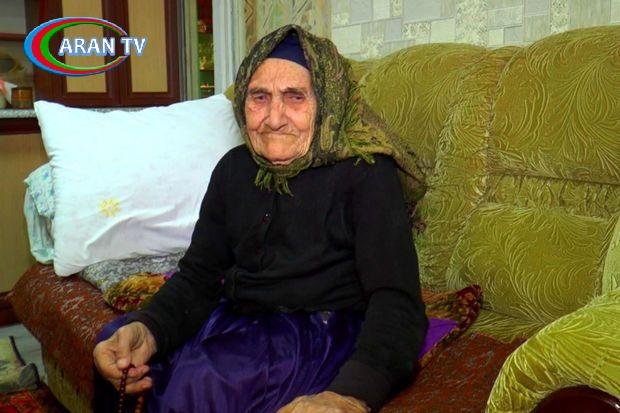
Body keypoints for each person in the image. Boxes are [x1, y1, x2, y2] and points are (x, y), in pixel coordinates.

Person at [93, 25, 428, 413]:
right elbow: (199, 277)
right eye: (259, 97)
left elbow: (396, 300)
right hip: (241, 317)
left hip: (318, 330)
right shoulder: (233, 169)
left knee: (203, 383)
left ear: (328, 102)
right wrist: (149, 328)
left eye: (295, 97)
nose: (273, 118)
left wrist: (350, 394)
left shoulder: (366, 173)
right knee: (118, 347)